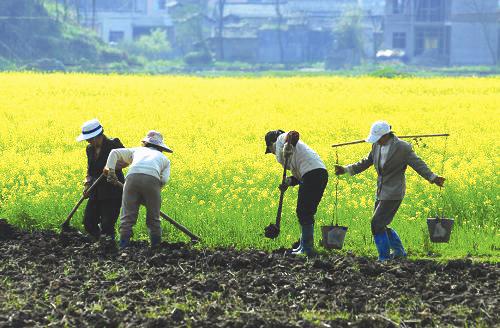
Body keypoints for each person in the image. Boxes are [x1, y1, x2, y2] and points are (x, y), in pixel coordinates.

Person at [335, 121, 445, 261]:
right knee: (381, 224)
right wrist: (345, 169)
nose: (376, 141)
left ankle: (384, 257)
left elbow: (418, 164)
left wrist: (433, 178)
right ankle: (399, 252)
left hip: (394, 192)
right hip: (381, 190)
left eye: (378, 138)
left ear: (386, 135)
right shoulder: (376, 145)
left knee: (376, 223)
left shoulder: (402, 148)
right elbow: (366, 162)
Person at [104, 130, 172, 249]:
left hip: (132, 178)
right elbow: (164, 180)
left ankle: (123, 246)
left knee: (127, 217)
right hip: (153, 180)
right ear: (161, 148)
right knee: (154, 218)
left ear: (145, 143)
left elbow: (114, 152)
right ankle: (156, 248)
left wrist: (111, 171)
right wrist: (153, 194)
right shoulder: (165, 160)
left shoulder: (137, 150)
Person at [264, 130, 328, 256]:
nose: (272, 152)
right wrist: (287, 182)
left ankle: (307, 248)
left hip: (312, 174)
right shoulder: (290, 154)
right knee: (305, 211)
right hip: (317, 174)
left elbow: (293, 134)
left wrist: (288, 146)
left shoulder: (281, 139)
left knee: (303, 211)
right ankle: (304, 246)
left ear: (272, 143)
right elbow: (298, 176)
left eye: (270, 149)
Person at [76, 118, 125, 242]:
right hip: (96, 189)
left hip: (113, 189)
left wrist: (111, 167)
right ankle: (100, 243)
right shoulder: (89, 149)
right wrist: (87, 185)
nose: (88, 141)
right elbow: (90, 170)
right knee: (88, 222)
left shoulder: (114, 144)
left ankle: (109, 247)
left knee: (107, 224)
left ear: (97, 136)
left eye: (89, 138)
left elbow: (126, 161)